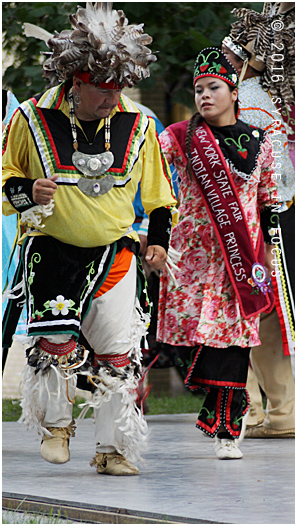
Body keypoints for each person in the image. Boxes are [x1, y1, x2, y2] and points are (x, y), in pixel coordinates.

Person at [2, 3, 177, 476]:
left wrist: (158, 240)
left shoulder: (138, 123)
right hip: (50, 248)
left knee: (120, 351)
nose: (112, 97)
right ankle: (56, 426)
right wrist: (25, 191)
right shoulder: (31, 118)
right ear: (76, 83)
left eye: (119, 88)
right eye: (103, 89)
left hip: (115, 252)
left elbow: (161, 194)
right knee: (54, 342)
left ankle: (114, 448)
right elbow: (5, 176)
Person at [156, 47, 278, 460]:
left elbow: (270, 197)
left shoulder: (258, 143)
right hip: (190, 260)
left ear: (233, 91)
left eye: (214, 87)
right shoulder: (178, 137)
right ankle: (214, 401)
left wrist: (270, 256)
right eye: (199, 90)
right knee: (190, 340)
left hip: (239, 262)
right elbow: (146, 173)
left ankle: (227, 426)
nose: (205, 96)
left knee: (232, 344)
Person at [222, 2, 295, 438]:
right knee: (270, 314)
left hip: (248, 221)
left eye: (230, 60)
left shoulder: (244, 102)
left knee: (240, 310)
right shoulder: (278, 104)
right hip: (280, 217)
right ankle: (283, 413)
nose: (224, 66)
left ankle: (244, 410)